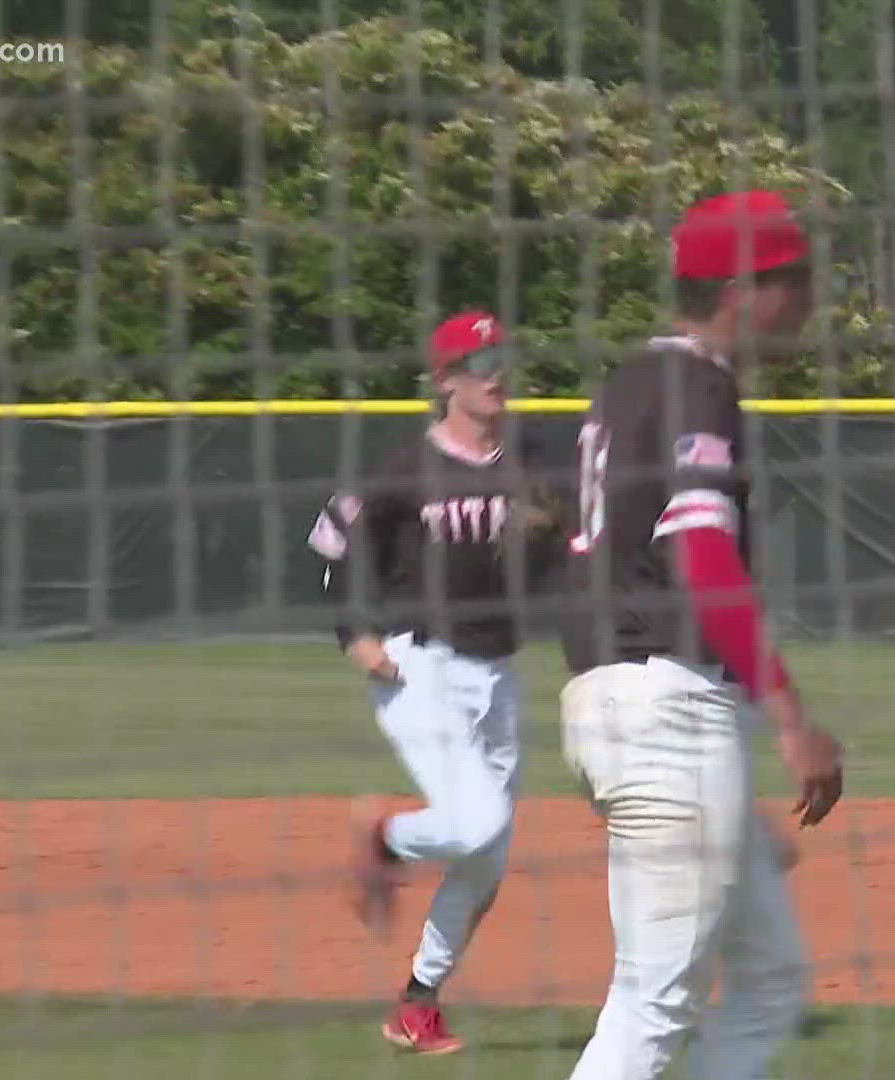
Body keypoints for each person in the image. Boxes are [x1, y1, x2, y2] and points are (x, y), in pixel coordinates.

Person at [557, 189, 845, 1080]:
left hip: (636, 703)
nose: (808, 301)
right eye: (797, 279)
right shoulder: (697, 386)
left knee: (767, 979)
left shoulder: (630, 383)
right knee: (655, 1000)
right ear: (747, 286)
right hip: (665, 706)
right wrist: (791, 713)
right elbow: (704, 557)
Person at [308, 311, 559, 1053]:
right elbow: (332, 547)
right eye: (479, 361)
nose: (496, 372)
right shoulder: (403, 470)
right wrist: (354, 633)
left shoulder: (531, 469)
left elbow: (556, 561)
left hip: (500, 669)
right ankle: (382, 838)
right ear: (445, 379)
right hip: (421, 663)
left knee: (489, 858)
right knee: (475, 822)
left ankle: (417, 1002)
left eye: (503, 356)